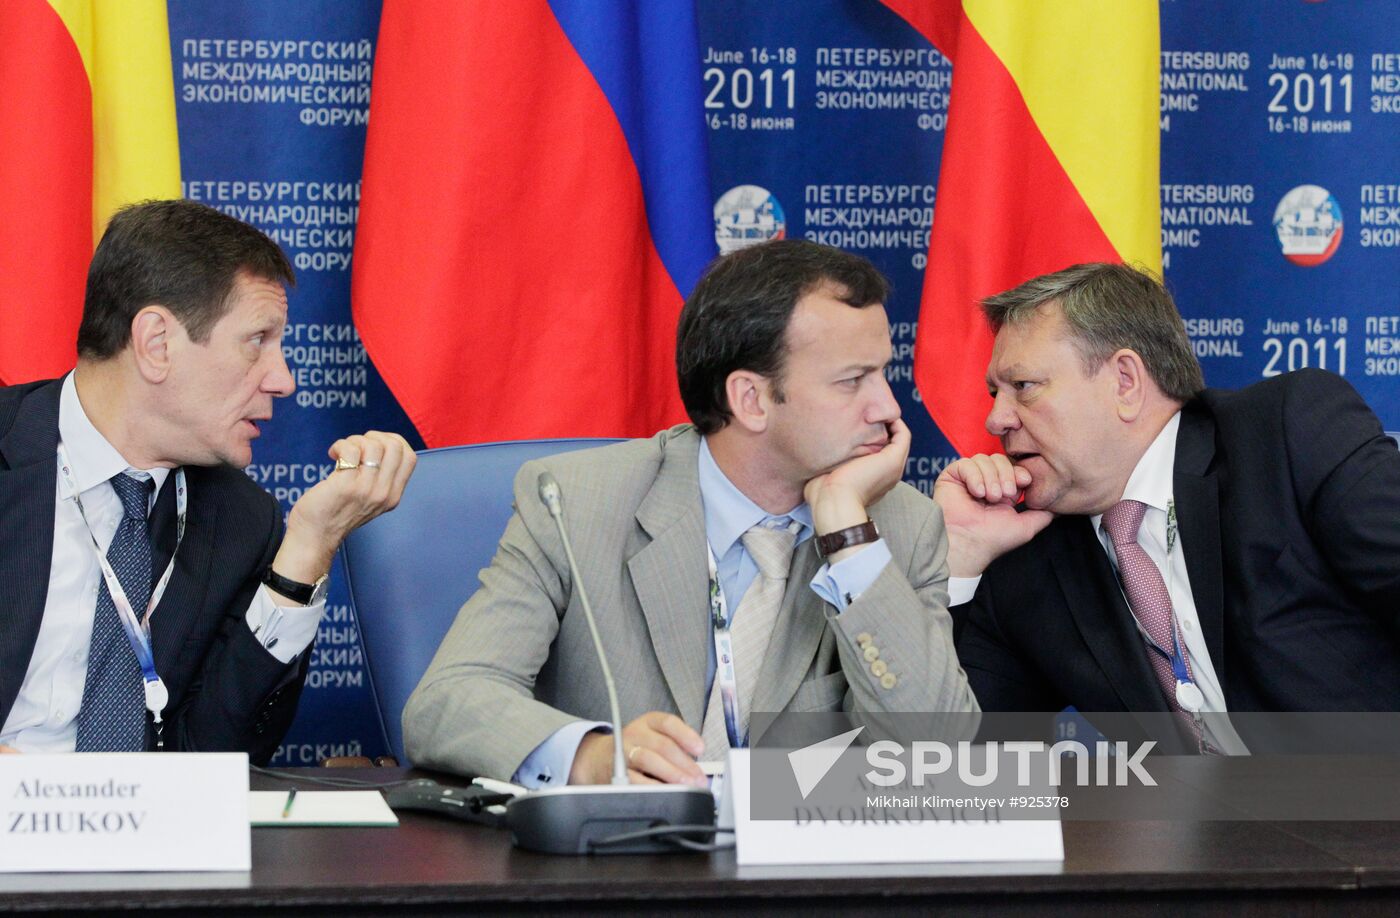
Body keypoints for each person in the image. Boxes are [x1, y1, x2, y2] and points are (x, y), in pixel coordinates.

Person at [405, 239, 977, 785]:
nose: (889, 407)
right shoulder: (573, 503)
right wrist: (593, 755)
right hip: (615, 870)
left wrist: (849, 535)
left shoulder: (896, 526)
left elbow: (939, 755)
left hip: (801, 877)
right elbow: (448, 702)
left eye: (883, 372)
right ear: (750, 399)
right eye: (853, 381)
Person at [0, 199, 415, 762]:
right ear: (157, 344)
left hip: (147, 842)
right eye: (258, 340)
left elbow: (221, 760)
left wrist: (308, 548)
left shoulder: (242, 520)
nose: (284, 379)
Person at [934, 262, 1400, 753]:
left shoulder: (1283, 437)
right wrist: (957, 560)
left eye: (1023, 386)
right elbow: (960, 759)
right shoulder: (1027, 559)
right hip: (1200, 829)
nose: (995, 419)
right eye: (995, 393)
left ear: (1125, 382)